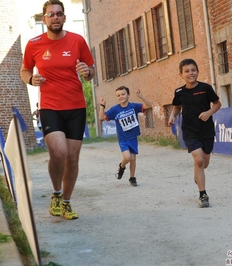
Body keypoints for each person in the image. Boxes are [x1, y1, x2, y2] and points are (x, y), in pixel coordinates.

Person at [20, 0, 95, 220]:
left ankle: (66, 203)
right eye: (51, 14)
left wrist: (86, 72)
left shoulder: (77, 41)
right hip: (50, 107)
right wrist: (32, 80)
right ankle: (56, 192)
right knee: (59, 153)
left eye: (59, 14)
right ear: (44, 19)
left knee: (72, 158)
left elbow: (91, 71)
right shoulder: (34, 44)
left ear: (64, 18)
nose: (55, 17)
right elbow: (24, 70)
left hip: (76, 107)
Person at [168, 58, 221, 208]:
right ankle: (203, 195)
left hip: (206, 130)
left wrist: (209, 112)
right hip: (190, 130)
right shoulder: (179, 92)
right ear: (181, 74)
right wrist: (173, 115)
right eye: (187, 71)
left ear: (197, 71)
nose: (190, 73)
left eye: (193, 70)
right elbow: (177, 107)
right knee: (198, 160)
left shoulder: (206, 88)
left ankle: (197, 174)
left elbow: (217, 104)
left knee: (204, 163)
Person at [99, 86, 152, 187]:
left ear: (128, 95)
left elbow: (148, 106)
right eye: (118, 95)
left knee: (133, 159)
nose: (121, 97)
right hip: (123, 138)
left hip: (133, 137)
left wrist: (141, 96)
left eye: (123, 94)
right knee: (127, 157)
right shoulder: (115, 109)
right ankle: (122, 166)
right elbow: (101, 117)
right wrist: (102, 105)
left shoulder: (133, 106)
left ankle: (132, 178)